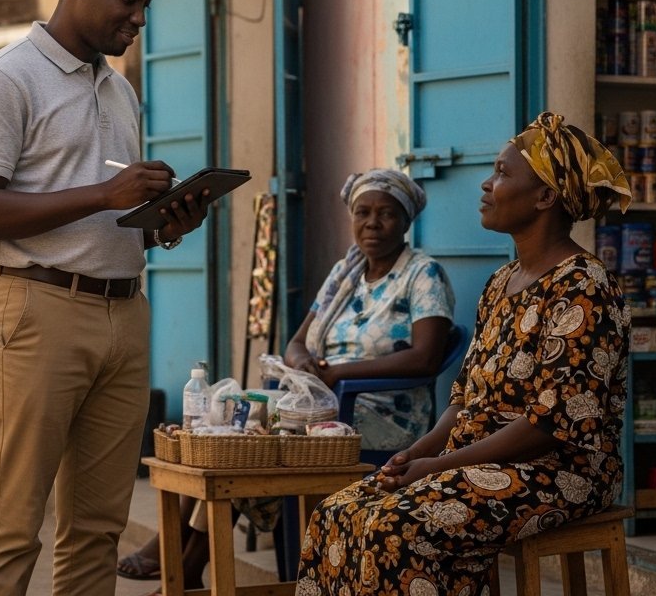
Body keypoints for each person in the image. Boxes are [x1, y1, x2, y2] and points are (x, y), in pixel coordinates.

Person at [0, 0, 211, 596]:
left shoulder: (120, 90)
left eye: (146, 4)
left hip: (123, 315)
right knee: (13, 522)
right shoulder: (5, 79)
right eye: (128, 0)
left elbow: (104, 223)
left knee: (97, 527)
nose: (139, 18)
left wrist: (165, 226)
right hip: (37, 313)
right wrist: (104, 193)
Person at [294, 112, 633, 595]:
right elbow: (464, 399)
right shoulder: (500, 283)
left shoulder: (584, 288)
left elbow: (548, 426)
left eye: (501, 173)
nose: (486, 184)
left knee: (397, 527)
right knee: (337, 512)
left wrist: (438, 467)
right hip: (474, 461)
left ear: (545, 197)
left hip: (560, 471)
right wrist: (418, 451)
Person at [116, 168, 456, 589]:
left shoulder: (423, 273)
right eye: (363, 212)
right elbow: (296, 342)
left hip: (383, 411)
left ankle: (188, 559)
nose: (372, 223)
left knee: (252, 440)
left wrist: (337, 374)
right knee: (235, 426)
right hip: (322, 399)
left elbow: (425, 358)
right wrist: (305, 365)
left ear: (406, 221)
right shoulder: (346, 272)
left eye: (386, 213)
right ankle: (188, 554)